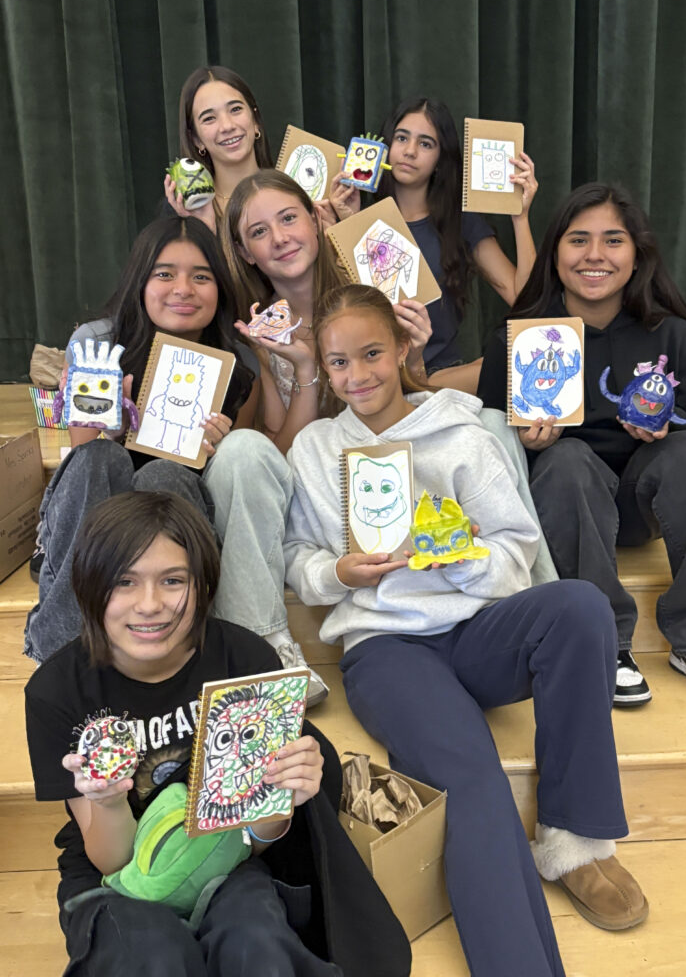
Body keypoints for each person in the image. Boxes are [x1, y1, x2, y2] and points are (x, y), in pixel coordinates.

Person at [283, 283, 648, 977]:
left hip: (478, 627)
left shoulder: (461, 431)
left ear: (401, 348)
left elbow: (515, 551)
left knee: (578, 607)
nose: (356, 375)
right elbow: (299, 562)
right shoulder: (314, 448)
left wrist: (460, 557)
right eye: (337, 363)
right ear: (323, 371)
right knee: (472, 778)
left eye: (370, 354)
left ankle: (574, 839)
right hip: (387, 648)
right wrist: (342, 573)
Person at [25, 491, 411, 977]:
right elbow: (110, 859)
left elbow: (257, 840)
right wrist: (105, 800)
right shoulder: (58, 690)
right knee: (151, 955)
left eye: (172, 581)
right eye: (123, 582)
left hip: (228, 859)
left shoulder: (244, 662)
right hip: (117, 876)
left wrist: (283, 801)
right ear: (89, 586)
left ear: (203, 585)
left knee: (258, 944)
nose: (150, 605)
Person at [24, 215, 328, 704]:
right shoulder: (100, 348)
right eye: (164, 274)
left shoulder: (238, 365)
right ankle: (61, 649)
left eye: (201, 276)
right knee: (100, 459)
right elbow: (85, 461)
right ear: (140, 282)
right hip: (102, 521)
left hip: (179, 524)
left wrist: (219, 445)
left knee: (169, 471)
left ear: (218, 287)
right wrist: (113, 424)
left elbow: (255, 461)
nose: (183, 288)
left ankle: (183, 646)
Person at [478, 182, 686, 708]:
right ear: (555, 252)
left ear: (637, 254)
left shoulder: (672, 334)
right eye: (578, 240)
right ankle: (606, 638)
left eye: (613, 240)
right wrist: (528, 444)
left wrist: (672, 428)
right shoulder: (520, 336)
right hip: (566, 504)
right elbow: (488, 442)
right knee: (566, 460)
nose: (595, 255)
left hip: (648, 503)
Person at [331, 97, 538, 390]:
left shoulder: (461, 222)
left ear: (441, 160)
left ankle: (422, 388)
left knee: (514, 357)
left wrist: (520, 216)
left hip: (441, 374)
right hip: (375, 378)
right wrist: (347, 222)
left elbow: (525, 299)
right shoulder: (360, 218)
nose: (410, 151)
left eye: (426, 143)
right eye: (402, 138)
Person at [222, 169, 432, 454]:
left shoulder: (370, 287)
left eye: (288, 218)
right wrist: (304, 369)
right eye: (259, 232)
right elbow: (282, 458)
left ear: (314, 219)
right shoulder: (260, 339)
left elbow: (413, 402)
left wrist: (414, 355)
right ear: (245, 252)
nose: (280, 238)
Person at [164, 65, 273, 234]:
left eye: (235, 109)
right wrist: (203, 231)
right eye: (209, 118)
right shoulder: (183, 211)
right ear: (196, 139)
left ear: (255, 121)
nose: (227, 126)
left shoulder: (294, 190)